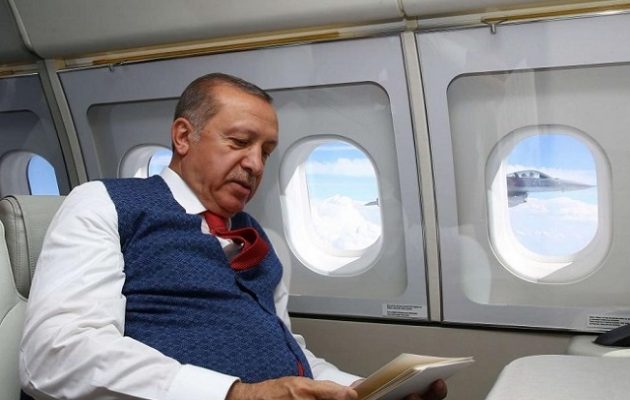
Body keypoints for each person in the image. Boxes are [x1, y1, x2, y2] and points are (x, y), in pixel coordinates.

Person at [19, 73, 447, 400]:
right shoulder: (107, 204)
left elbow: (288, 350)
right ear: (183, 136)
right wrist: (236, 394)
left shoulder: (260, 237)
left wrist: (362, 390)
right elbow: (55, 354)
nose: (256, 164)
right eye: (240, 142)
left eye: (266, 152)